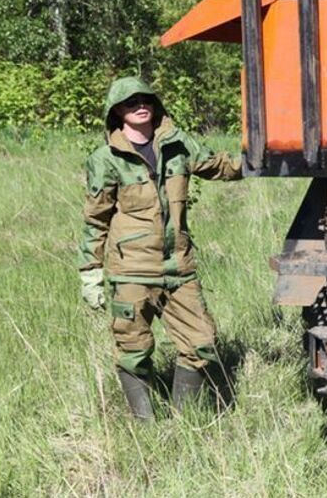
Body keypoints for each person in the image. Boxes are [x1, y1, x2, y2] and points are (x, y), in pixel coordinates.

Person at [78, 76, 242, 420]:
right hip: (132, 272)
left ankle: (185, 420)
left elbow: (220, 167)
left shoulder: (178, 144)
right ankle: (146, 426)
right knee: (133, 350)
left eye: (146, 100)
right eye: (131, 102)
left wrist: (264, 153)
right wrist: (90, 272)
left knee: (203, 343)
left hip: (179, 268)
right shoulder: (106, 159)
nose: (141, 105)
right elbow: (96, 220)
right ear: (117, 112)